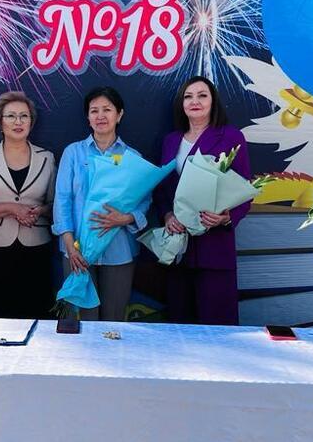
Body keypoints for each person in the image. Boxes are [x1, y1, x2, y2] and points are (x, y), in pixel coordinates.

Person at [153, 75, 251, 325]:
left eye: (202, 95)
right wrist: (167, 215)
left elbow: (244, 189)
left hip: (214, 246)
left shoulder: (231, 137)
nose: (194, 101)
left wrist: (226, 217)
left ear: (213, 101)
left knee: (217, 325)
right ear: (181, 103)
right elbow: (162, 190)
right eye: (188, 96)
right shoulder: (171, 140)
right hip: (178, 247)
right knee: (180, 322)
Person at [53, 87, 149, 322]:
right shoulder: (73, 153)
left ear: (120, 114)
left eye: (107, 109)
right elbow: (62, 199)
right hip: (78, 250)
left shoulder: (132, 157)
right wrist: (70, 246)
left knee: (113, 320)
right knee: (80, 321)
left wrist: (126, 218)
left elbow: (144, 200)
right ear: (87, 117)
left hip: (118, 249)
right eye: (94, 110)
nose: (100, 116)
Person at [0, 92, 57, 319]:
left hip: (37, 250)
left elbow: (57, 205)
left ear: (31, 122)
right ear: (0, 122)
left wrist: (40, 211)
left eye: (24, 116)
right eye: (11, 116)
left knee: (36, 315)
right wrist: (12, 208)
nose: (18, 122)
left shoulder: (47, 158)